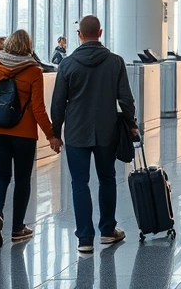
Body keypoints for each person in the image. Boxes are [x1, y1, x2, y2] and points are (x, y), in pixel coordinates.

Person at [50, 15, 138, 253]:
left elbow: (58, 103)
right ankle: (108, 231)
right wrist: (131, 123)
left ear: (79, 34)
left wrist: (55, 133)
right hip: (106, 130)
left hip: (76, 132)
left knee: (79, 184)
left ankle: (85, 239)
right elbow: (125, 99)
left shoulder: (67, 64)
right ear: (100, 33)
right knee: (107, 179)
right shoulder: (115, 62)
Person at [0, 29, 61, 249]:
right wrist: (51, 136)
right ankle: (18, 228)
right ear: (28, 47)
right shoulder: (33, 72)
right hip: (23, 134)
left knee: (0, 176)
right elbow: (38, 109)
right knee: (22, 180)